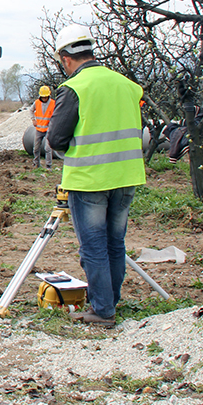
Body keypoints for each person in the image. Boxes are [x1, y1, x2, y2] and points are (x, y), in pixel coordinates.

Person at [45, 24, 146, 328]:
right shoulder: (127, 85)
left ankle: (103, 311)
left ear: (65, 59)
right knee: (116, 244)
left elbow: (56, 138)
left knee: (94, 247)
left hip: (89, 181)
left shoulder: (75, 88)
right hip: (126, 177)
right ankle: (108, 302)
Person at [32, 85, 55, 168]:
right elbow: (31, 110)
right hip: (39, 129)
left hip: (49, 129)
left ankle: (48, 166)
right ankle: (36, 163)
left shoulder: (53, 103)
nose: (44, 98)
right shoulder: (37, 103)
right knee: (36, 148)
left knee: (48, 149)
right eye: (43, 97)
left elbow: (57, 114)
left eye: (45, 97)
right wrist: (33, 119)